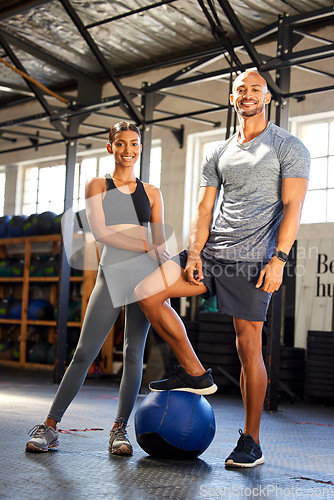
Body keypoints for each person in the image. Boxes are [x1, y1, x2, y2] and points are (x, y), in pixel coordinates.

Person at [134, 71, 310, 468]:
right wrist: (194, 252)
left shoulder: (289, 146)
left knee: (248, 345)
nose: (247, 95)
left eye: (255, 89)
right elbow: (203, 208)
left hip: (254, 259)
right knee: (148, 291)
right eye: (240, 90)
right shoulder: (218, 152)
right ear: (233, 99)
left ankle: (251, 441)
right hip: (212, 253)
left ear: (267, 97)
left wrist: (279, 259)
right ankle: (195, 372)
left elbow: (294, 206)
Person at [26, 121, 174, 455]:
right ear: (110, 148)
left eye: (134, 144)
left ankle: (119, 431)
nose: (128, 150)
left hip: (145, 277)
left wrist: (149, 243)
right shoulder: (96, 185)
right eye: (121, 143)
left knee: (134, 353)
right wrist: (143, 238)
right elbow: (103, 234)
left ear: (140, 148)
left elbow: (160, 242)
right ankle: (49, 427)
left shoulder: (152, 192)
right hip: (111, 274)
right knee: (83, 353)